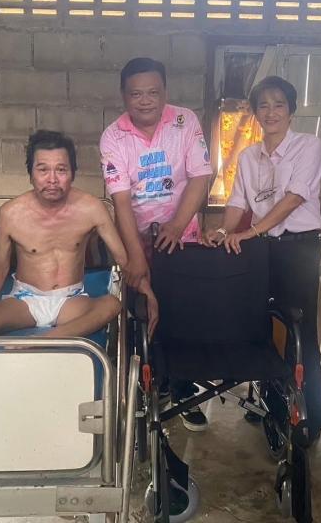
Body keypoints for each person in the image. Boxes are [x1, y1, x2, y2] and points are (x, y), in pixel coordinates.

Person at [201, 75, 321, 440]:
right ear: (255, 112)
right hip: (262, 251)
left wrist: (251, 231)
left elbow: (294, 197)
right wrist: (223, 231)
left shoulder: (308, 146)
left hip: (298, 248)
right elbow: (238, 201)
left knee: (299, 332)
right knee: (263, 328)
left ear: (291, 110)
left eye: (279, 104)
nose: (271, 112)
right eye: (263, 106)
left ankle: (309, 420)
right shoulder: (248, 156)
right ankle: (272, 407)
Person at [99, 57, 212, 431]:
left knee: (182, 312)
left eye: (153, 92)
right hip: (137, 236)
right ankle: (148, 388)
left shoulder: (184, 121)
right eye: (136, 94)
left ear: (165, 92)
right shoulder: (113, 137)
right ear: (123, 96)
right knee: (143, 312)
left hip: (181, 237)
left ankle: (182, 390)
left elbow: (199, 178)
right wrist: (135, 256)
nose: (145, 101)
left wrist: (177, 227)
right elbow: (121, 202)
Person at [0, 130, 157, 338]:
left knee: (111, 304)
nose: (52, 179)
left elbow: (123, 259)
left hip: (71, 301)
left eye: (61, 170)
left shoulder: (92, 208)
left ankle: (48, 339)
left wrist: (147, 292)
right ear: (31, 174)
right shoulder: (10, 214)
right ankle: (53, 339)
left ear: (72, 174)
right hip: (25, 300)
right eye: (43, 170)